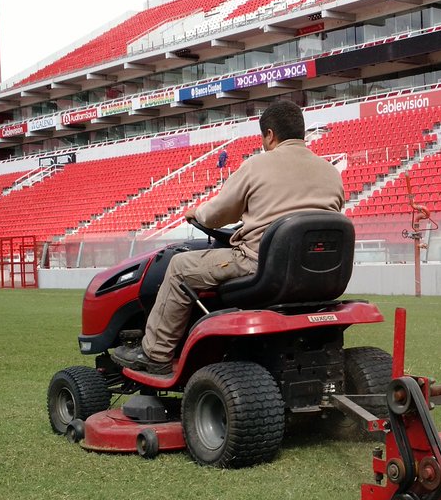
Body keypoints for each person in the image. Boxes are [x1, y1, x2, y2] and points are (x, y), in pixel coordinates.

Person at [112, 100, 345, 375]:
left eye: (264, 138)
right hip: (320, 273)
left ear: (269, 135)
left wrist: (195, 213)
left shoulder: (257, 165)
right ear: (301, 132)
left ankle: (155, 353)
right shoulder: (331, 172)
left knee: (178, 267)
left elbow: (216, 215)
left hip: (260, 265)